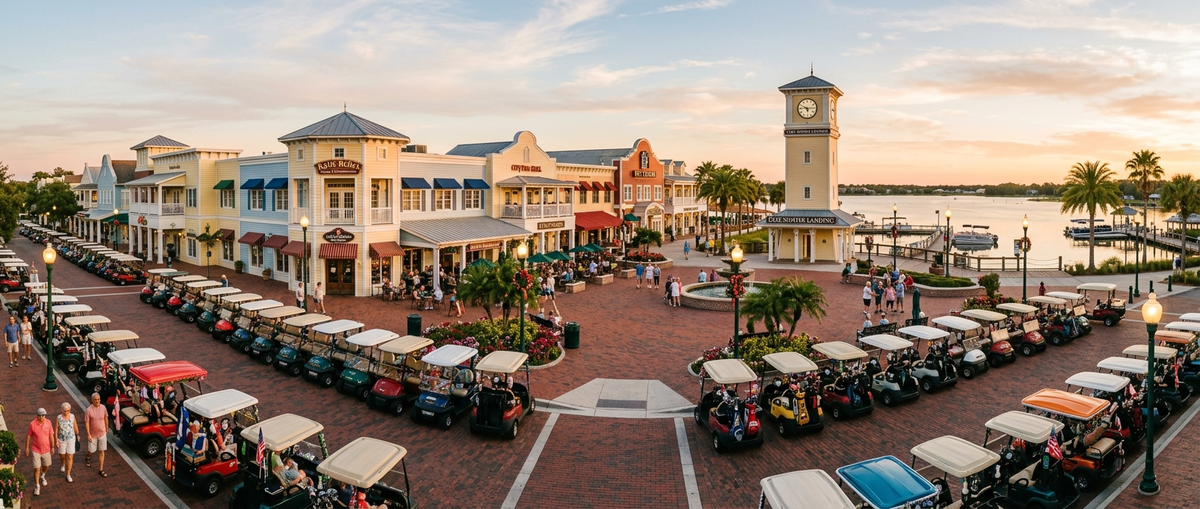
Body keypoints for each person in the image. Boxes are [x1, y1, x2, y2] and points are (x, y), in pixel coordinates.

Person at [25, 408, 56, 496]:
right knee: (36, 468)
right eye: (39, 415)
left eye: (43, 415)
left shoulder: (48, 423)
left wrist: (52, 446)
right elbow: (28, 436)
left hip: (46, 449)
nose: (41, 417)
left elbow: (51, 435)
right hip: (36, 450)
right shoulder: (32, 424)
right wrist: (27, 447)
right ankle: (37, 486)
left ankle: (43, 475)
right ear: (37, 415)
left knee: (46, 465)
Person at [84, 393, 108, 477]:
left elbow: (105, 418)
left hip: (102, 433)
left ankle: (101, 469)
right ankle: (88, 457)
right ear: (92, 400)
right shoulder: (88, 410)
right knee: (91, 450)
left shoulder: (103, 408)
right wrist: (88, 434)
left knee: (102, 451)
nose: (97, 401)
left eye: (98, 399)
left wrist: (107, 428)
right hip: (93, 434)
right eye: (95, 400)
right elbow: (86, 423)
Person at [56, 402, 77, 483]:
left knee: (70, 456)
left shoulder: (72, 416)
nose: (66, 412)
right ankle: (63, 464)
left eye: (68, 410)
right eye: (65, 411)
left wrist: (77, 434)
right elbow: (56, 429)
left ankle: (68, 474)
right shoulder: (58, 418)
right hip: (61, 439)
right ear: (62, 410)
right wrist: (56, 440)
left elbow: (75, 426)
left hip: (71, 439)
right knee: (62, 455)